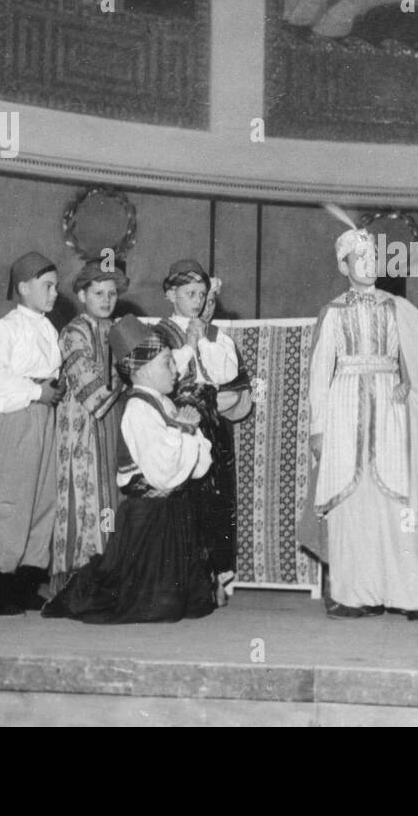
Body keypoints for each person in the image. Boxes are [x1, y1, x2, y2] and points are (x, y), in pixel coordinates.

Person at [299, 225, 418, 623]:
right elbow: (320, 372)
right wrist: (318, 428)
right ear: (344, 265)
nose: (370, 264)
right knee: (349, 500)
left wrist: (414, 380)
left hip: (390, 409)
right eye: (361, 258)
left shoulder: (396, 306)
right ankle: (350, 595)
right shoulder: (333, 311)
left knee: (400, 499)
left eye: (375, 257)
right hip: (343, 410)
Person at [44, 316, 217, 623]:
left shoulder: (165, 404)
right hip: (146, 521)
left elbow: (201, 466)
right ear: (141, 371)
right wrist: (188, 432)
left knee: (188, 602)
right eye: (168, 363)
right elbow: (164, 474)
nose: (176, 370)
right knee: (148, 604)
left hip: (171, 517)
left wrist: (186, 433)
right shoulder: (138, 409)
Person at [0, 252, 63, 615]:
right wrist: (38, 390)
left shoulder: (48, 327)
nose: (54, 294)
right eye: (47, 286)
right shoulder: (6, 328)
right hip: (16, 415)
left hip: (44, 417)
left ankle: (27, 580)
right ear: (23, 288)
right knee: (10, 498)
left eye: (55, 286)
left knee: (42, 498)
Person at [154, 259, 241, 601]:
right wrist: (189, 345)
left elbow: (226, 372)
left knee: (216, 497)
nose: (198, 301)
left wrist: (203, 340)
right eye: (190, 293)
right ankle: (185, 578)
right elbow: (160, 374)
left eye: (203, 294)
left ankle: (219, 575)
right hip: (179, 421)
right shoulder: (159, 333)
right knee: (185, 497)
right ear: (170, 294)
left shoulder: (216, 335)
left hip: (212, 424)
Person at [50, 258, 127, 595]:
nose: (106, 299)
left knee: (113, 496)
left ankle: (110, 568)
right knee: (84, 497)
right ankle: (78, 576)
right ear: (82, 295)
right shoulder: (73, 333)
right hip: (82, 428)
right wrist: (123, 378)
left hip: (116, 423)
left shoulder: (119, 329)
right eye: (98, 293)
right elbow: (92, 389)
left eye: (111, 293)